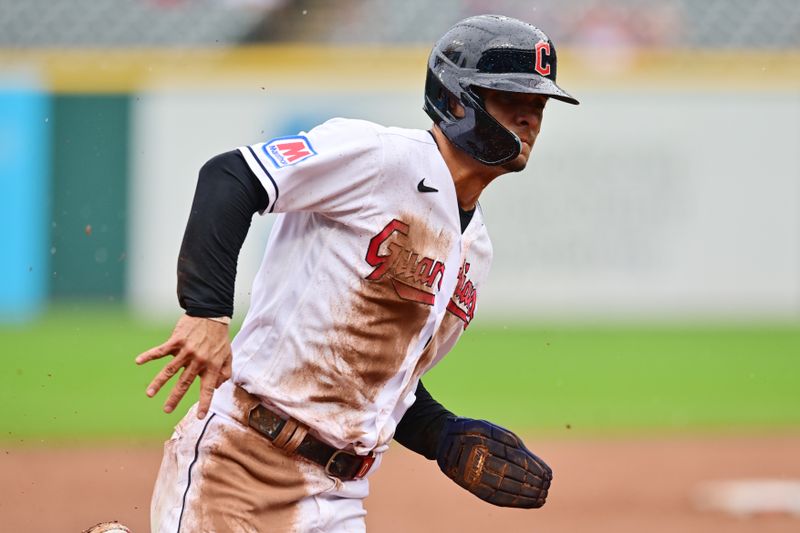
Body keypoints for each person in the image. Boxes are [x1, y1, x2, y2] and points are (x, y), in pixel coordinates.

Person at [136, 14, 579, 533]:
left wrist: (442, 435)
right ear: (458, 100)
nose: (531, 119)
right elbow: (230, 177)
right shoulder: (379, 157)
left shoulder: (474, 249)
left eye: (539, 105)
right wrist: (206, 313)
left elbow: (384, 380)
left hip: (339, 494)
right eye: (513, 99)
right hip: (240, 464)